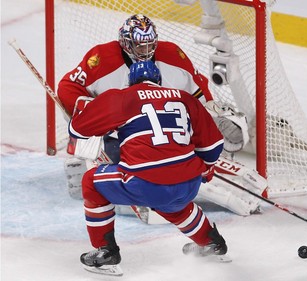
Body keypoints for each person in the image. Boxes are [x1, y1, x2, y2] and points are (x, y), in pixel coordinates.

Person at [58, 13, 261, 216]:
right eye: (139, 45)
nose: (145, 50)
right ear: (125, 43)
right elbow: (68, 87)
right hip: (121, 135)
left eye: (149, 44)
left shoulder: (172, 54)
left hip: (166, 131)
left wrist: (209, 118)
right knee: (154, 169)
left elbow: (200, 96)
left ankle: (219, 186)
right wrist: (94, 113)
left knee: (181, 162)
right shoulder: (102, 59)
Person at [69, 61, 229, 276]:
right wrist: (206, 167)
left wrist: (85, 112)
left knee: (91, 182)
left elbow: (78, 130)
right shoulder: (185, 98)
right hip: (188, 183)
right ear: (159, 82)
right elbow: (213, 146)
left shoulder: (123, 97)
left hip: (145, 182)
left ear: (131, 82)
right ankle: (212, 243)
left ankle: (105, 252)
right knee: (172, 202)